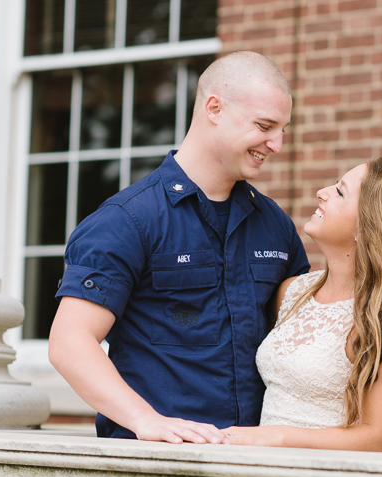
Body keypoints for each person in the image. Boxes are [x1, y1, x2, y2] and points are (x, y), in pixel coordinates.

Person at [48, 51, 310, 444]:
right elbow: (69, 343)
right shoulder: (128, 220)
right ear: (214, 108)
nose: (275, 144)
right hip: (154, 466)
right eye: (264, 126)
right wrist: (145, 420)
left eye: (282, 130)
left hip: (254, 466)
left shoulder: (275, 226)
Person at [222, 158, 382, 452]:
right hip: (262, 473)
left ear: (367, 226)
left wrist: (278, 437)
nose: (322, 192)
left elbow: (378, 439)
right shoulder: (291, 292)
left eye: (340, 192)